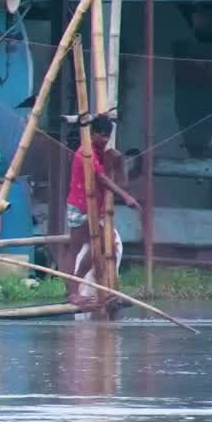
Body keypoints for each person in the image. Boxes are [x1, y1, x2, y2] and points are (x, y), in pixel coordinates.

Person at [62, 115, 140, 306]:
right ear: (93, 133)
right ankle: (72, 293)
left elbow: (122, 183)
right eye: (101, 135)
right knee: (75, 249)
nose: (104, 139)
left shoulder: (103, 154)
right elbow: (103, 180)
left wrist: (120, 163)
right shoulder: (85, 152)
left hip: (95, 209)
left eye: (108, 136)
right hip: (80, 206)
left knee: (109, 245)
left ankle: (87, 283)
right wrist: (126, 198)